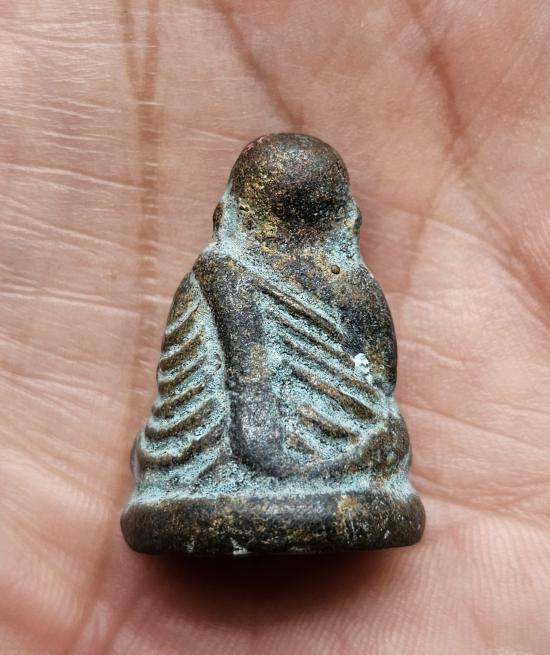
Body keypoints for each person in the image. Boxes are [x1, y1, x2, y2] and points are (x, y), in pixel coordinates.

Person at [2, 1, 549, 652]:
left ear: (230, 210)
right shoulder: (255, 280)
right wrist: (330, 451)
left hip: (227, 481)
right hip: (252, 468)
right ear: (344, 216)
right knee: (372, 441)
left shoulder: (269, 278)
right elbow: (274, 420)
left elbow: (364, 386)